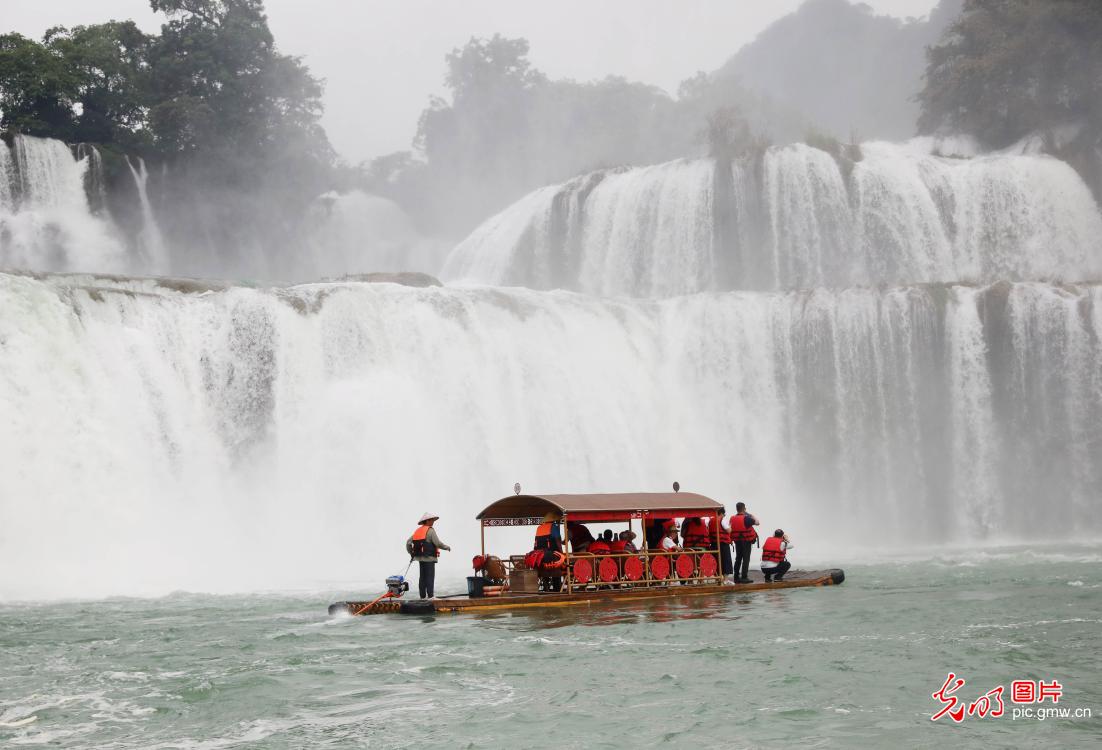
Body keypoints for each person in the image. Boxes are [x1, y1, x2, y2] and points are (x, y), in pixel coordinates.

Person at [406, 512, 451, 599]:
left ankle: (422, 597)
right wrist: (446, 547)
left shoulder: (418, 531)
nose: (433, 522)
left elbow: (408, 542)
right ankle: (430, 596)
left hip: (420, 559)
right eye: (431, 520)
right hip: (429, 558)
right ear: (427, 521)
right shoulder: (430, 530)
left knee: (422, 578)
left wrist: (411, 553)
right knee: (429, 577)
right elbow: (437, 543)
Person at [533, 512, 564, 592]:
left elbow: (536, 543)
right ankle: (557, 590)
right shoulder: (554, 527)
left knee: (544, 572)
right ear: (554, 520)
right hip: (551, 555)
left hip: (540, 556)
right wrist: (562, 554)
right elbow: (558, 542)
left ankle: (545, 589)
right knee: (556, 572)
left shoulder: (539, 528)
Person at [731, 501, 759, 583]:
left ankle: (736, 577)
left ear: (736, 509)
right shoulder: (747, 518)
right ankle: (744, 577)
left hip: (737, 541)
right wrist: (751, 515)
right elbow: (757, 522)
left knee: (738, 558)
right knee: (746, 559)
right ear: (744, 509)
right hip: (746, 541)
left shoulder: (732, 518)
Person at [716, 508, 735, 584]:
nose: (724, 516)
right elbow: (728, 530)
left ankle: (718, 579)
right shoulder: (722, 520)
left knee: (718, 561)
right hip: (723, 544)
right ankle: (726, 580)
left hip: (714, 544)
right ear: (721, 513)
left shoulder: (711, 520)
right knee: (726, 561)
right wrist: (730, 526)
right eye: (724, 514)